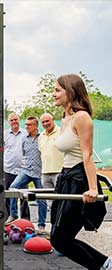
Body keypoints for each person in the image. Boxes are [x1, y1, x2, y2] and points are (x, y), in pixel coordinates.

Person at [51, 74, 111, 270]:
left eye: (57, 90)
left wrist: (93, 188)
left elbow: (87, 156)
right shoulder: (65, 118)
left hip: (79, 179)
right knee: (58, 238)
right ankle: (105, 264)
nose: (54, 94)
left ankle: (104, 265)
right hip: (65, 177)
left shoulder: (82, 117)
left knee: (61, 239)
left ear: (71, 91)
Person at [5, 116, 47, 232]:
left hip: (39, 172)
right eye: (26, 125)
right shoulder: (24, 139)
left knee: (41, 199)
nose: (26, 127)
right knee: (13, 188)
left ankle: (41, 225)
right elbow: (24, 154)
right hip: (26, 171)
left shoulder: (42, 138)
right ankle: (13, 214)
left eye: (29, 125)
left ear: (35, 126)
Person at [4, 113, 30, 220]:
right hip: (8, 170)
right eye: (12, 120)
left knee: (24, 197)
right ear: (9, 122)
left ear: (19, 120)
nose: (14, 122)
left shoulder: (25, 134)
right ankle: (8, 222)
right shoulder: (5, 134)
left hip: (22, 171)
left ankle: (25, 221)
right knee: (8, 196)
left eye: (16, 119)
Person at [38, 113, 64, 208]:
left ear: (52, 120)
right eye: (43, 122)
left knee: (61, 200)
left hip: (59, 172)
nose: (45, 124)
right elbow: (41, 152)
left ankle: (61, 222)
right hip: (45, 173)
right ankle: (54, 222)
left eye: (47, 121)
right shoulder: (41, 136)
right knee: (50, 203)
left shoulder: (61, 132)